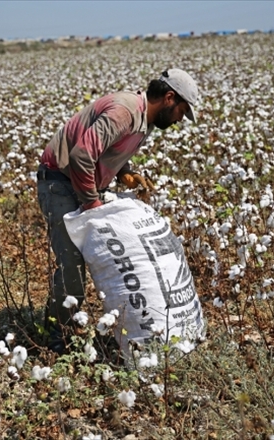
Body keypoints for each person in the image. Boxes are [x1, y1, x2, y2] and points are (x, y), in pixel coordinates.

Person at [37, 68, 199, 353]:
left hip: (80, 181)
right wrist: (92, 205)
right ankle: (55, 338)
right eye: (181, 112)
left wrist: (125, 171)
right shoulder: (124, 111)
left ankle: (69, 327)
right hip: (60, 182)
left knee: (84, 261)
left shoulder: (143, 121)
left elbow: (106, 148)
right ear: (169, 98)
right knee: (72, 266)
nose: (178, 122)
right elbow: (81, 156)